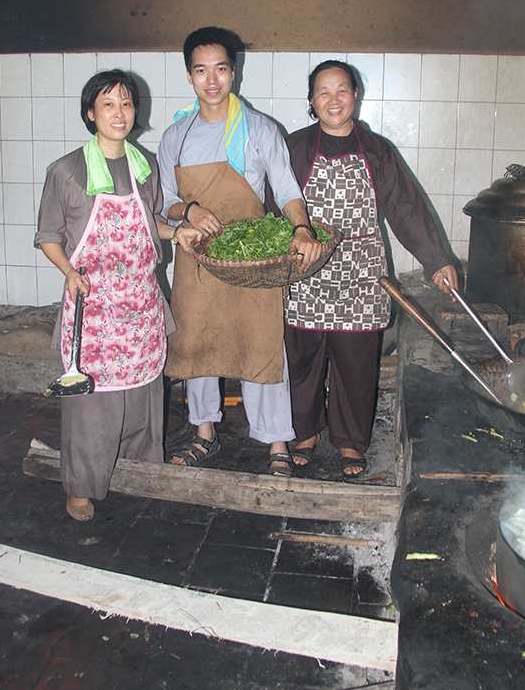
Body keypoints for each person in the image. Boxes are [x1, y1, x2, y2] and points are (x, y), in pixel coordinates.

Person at [35, 69, 200, 521]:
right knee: (91, 405)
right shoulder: (66, 171)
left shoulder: (143, 166)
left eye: (126, 103)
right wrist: (69, 272)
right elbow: (49, 235)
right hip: (94, 308)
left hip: (140, 304)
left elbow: (150, 223)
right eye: (108, 104)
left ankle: (138, 472)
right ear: (91, 113)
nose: (119, 113)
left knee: (143, 398)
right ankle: (81, 487)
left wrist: (177, 233)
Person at [156, 27, 321, 476]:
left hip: (253, 259)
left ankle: (276, 440)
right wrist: (189, 210)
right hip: (198, 258)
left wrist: (301, 228)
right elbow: (165, 201)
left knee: (262, 343)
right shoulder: (176, 136)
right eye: (201, 70)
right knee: (197, 344)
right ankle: (203, 433)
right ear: (189, 75)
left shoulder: (259, 129)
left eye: (221, 69)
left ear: (234, 72)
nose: (211, 80)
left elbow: (286, 188)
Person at [283, 60, 458, 481]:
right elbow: (272, 202)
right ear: (311, 100)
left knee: (356, 363)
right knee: (302, 360)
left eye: (342, 89)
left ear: (356, 94)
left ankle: (350, 440)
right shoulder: (294, 147)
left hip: (361, 272)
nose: (334, 100)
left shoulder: (378, 150)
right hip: (306, 271)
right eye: (324, 92)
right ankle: (305, 431)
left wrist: (437, 259)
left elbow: (406, 207)